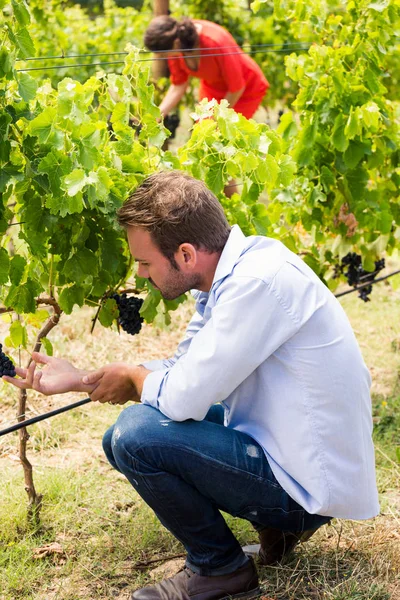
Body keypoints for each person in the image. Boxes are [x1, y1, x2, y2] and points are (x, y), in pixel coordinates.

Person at [5, 171, 380, 600]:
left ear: (185, 254)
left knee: (136, 436)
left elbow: (183, 397)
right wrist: (82, 379)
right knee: (125, 434)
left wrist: (132, 378)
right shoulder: (234, 272)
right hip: (292, 450)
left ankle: (220, 569)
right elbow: (185, 368)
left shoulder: (255, 284)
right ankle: (274, 529)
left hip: (309, 483)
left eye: (146, 263)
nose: (141, 275)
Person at [144, 16, 270, 120]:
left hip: (245, 89)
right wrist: (157, 116)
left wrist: (217, 119)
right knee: (204, 134)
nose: (164, 57)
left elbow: (237, 87)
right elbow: (179, 85)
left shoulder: (215, 42)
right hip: (213, 88)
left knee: (228, 137)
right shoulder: (175, 49)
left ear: (175, 44)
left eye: (163, 54)